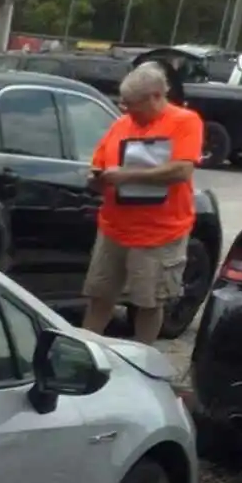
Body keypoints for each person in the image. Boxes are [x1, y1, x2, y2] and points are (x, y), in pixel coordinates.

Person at [82, 61, 204, 344]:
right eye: (123, 103)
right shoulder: (121, 125)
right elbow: (99, 164)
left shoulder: (184, 122)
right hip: (113, 229)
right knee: (99, 295)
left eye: (133, 103)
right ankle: (85, 352)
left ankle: (143, 360)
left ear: (156, 96)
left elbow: (182, 170)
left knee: (148, 302)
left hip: (159, 233)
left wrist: (126, 176)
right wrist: (96, 178)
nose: (127, 109)